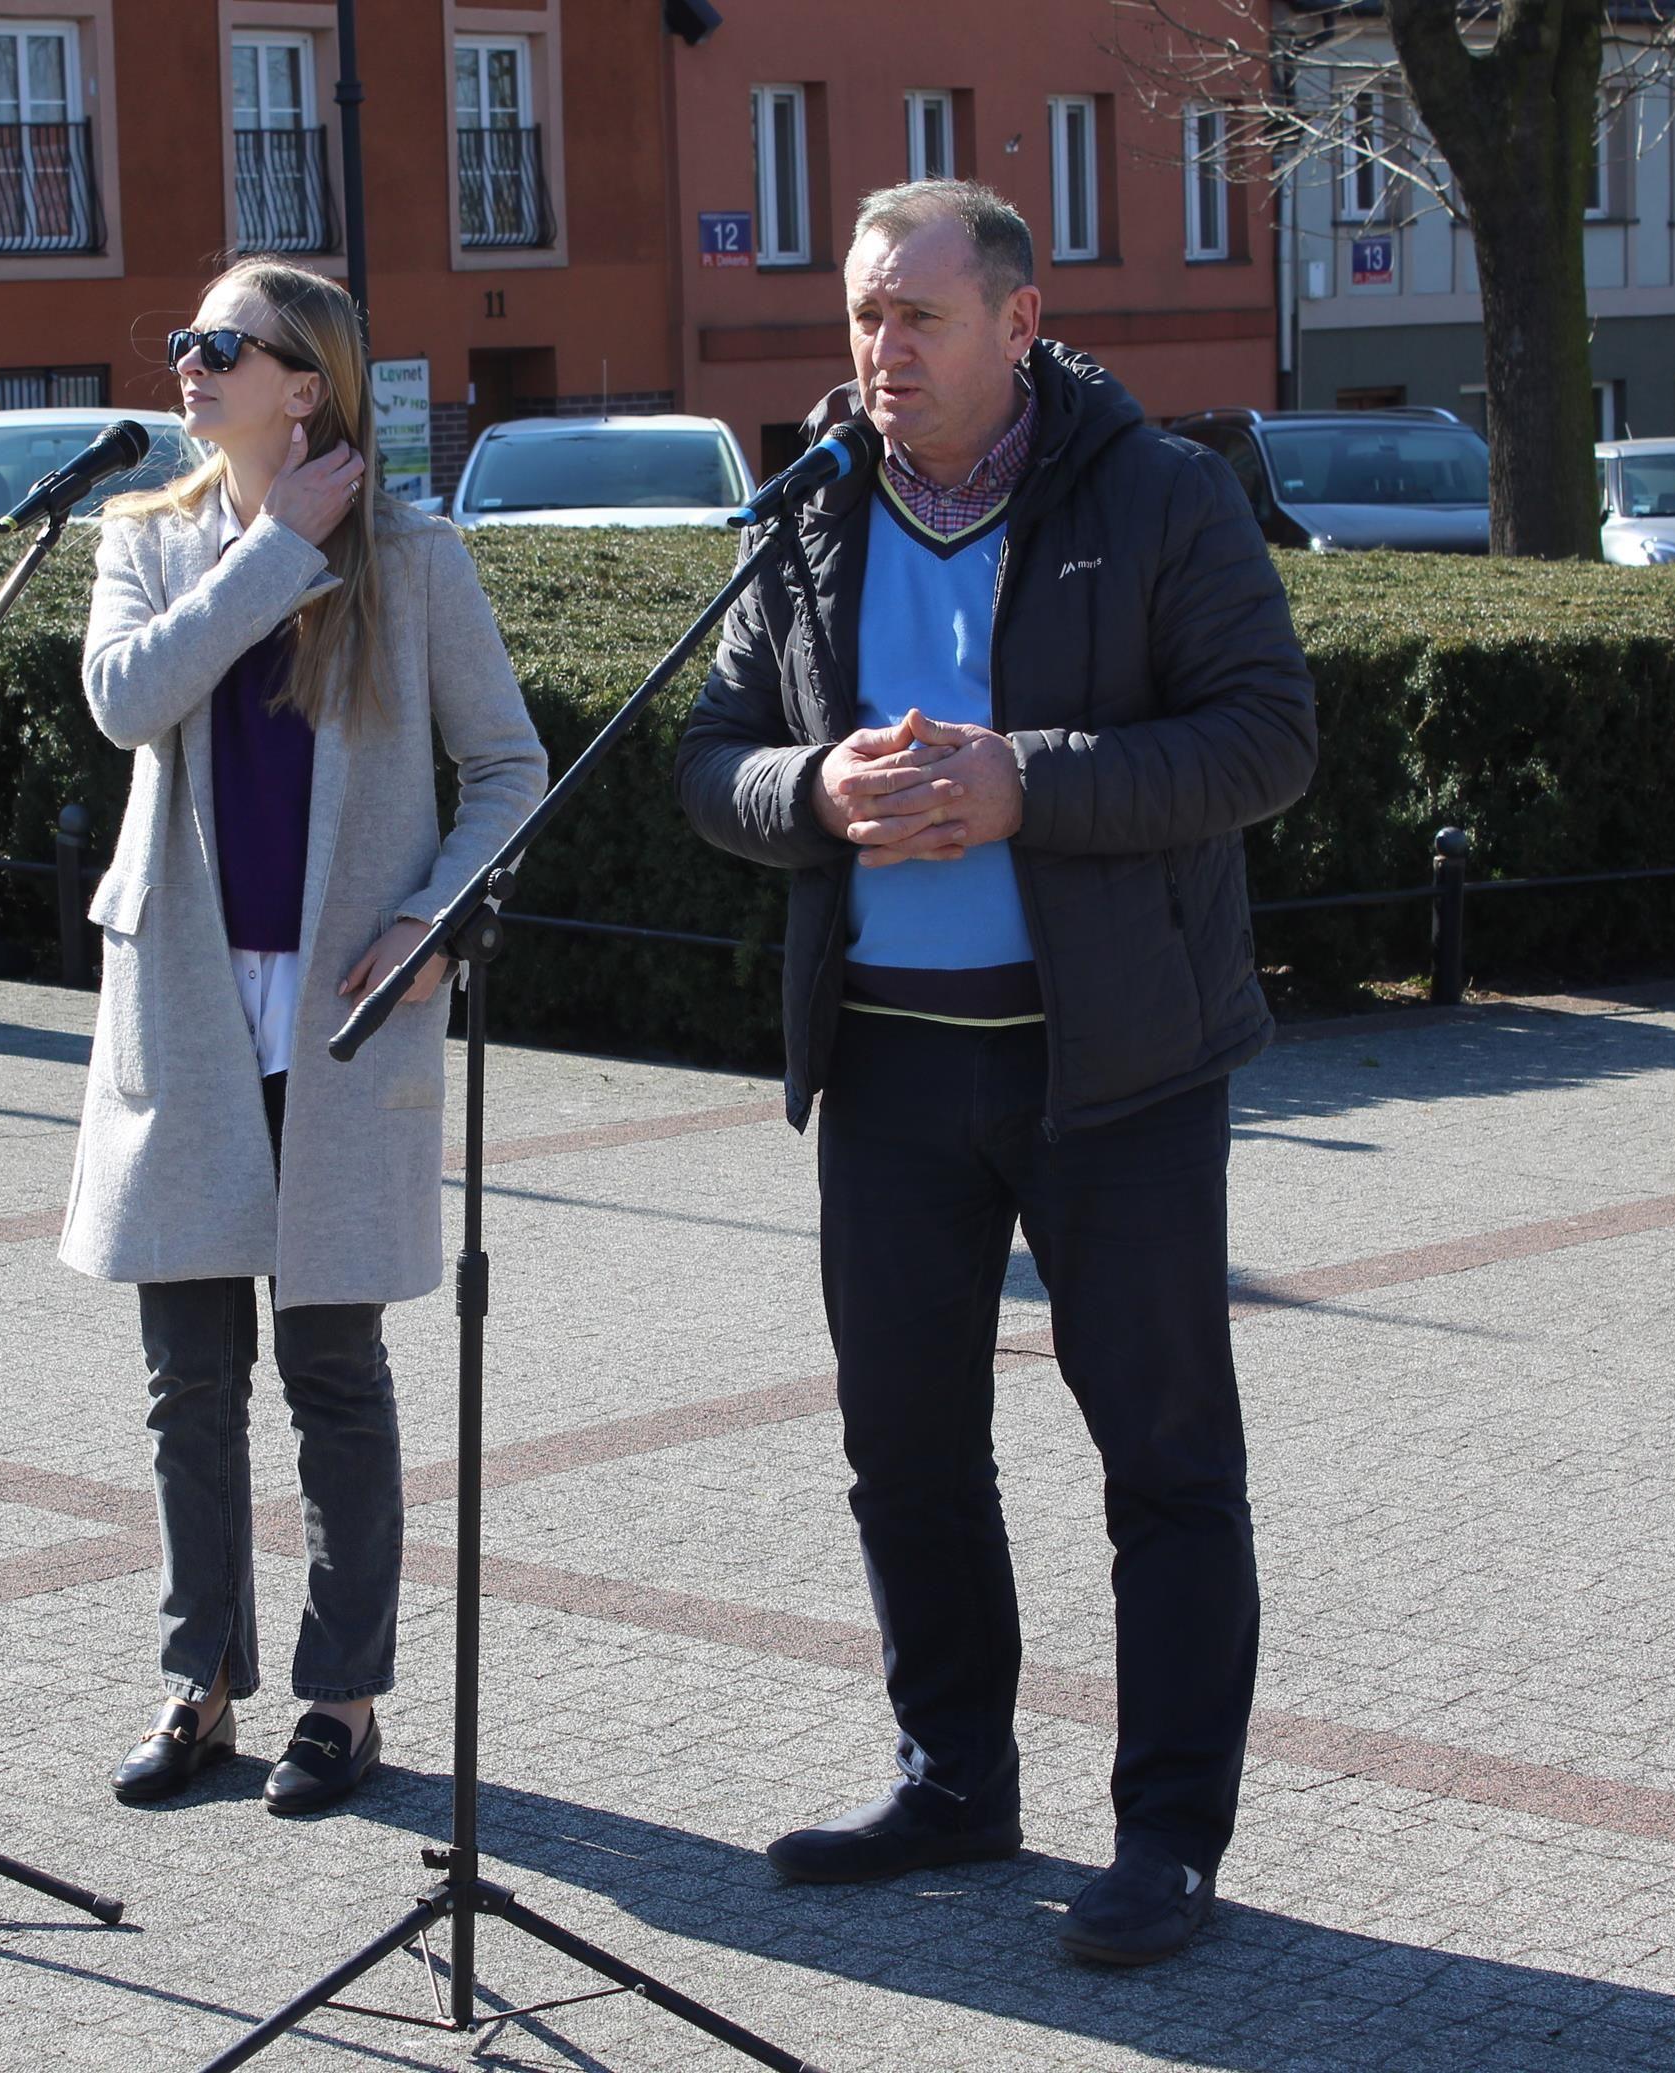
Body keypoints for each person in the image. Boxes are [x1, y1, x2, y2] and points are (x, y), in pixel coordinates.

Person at [674, 181, 1317, 1964]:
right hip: (885, 1066)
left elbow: (1264, 738)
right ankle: (955, 1774)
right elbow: (709, 754)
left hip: (1112, 1070)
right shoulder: (806, 512)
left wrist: (1027, 778)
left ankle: (1169, 1834)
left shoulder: (1156, 494)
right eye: (864, 316)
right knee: (904, 1449)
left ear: (1019, 324)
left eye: (920, 318)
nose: (881, 353)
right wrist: (807, 794)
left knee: (1165, 1462)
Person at [65, 259, 546, 1816]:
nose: (189, 364)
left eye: (226, 346)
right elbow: (129, 702)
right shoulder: (149, 541)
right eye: (187, 342)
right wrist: (271, 550)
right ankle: (197, 1678)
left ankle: (343, 1697)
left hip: (348, 1013)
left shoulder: (415, 565)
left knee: (331, 1368)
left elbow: (506, 771)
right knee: (184, 1375)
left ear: (307, 385)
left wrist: (430, 920)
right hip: (190, 1004)